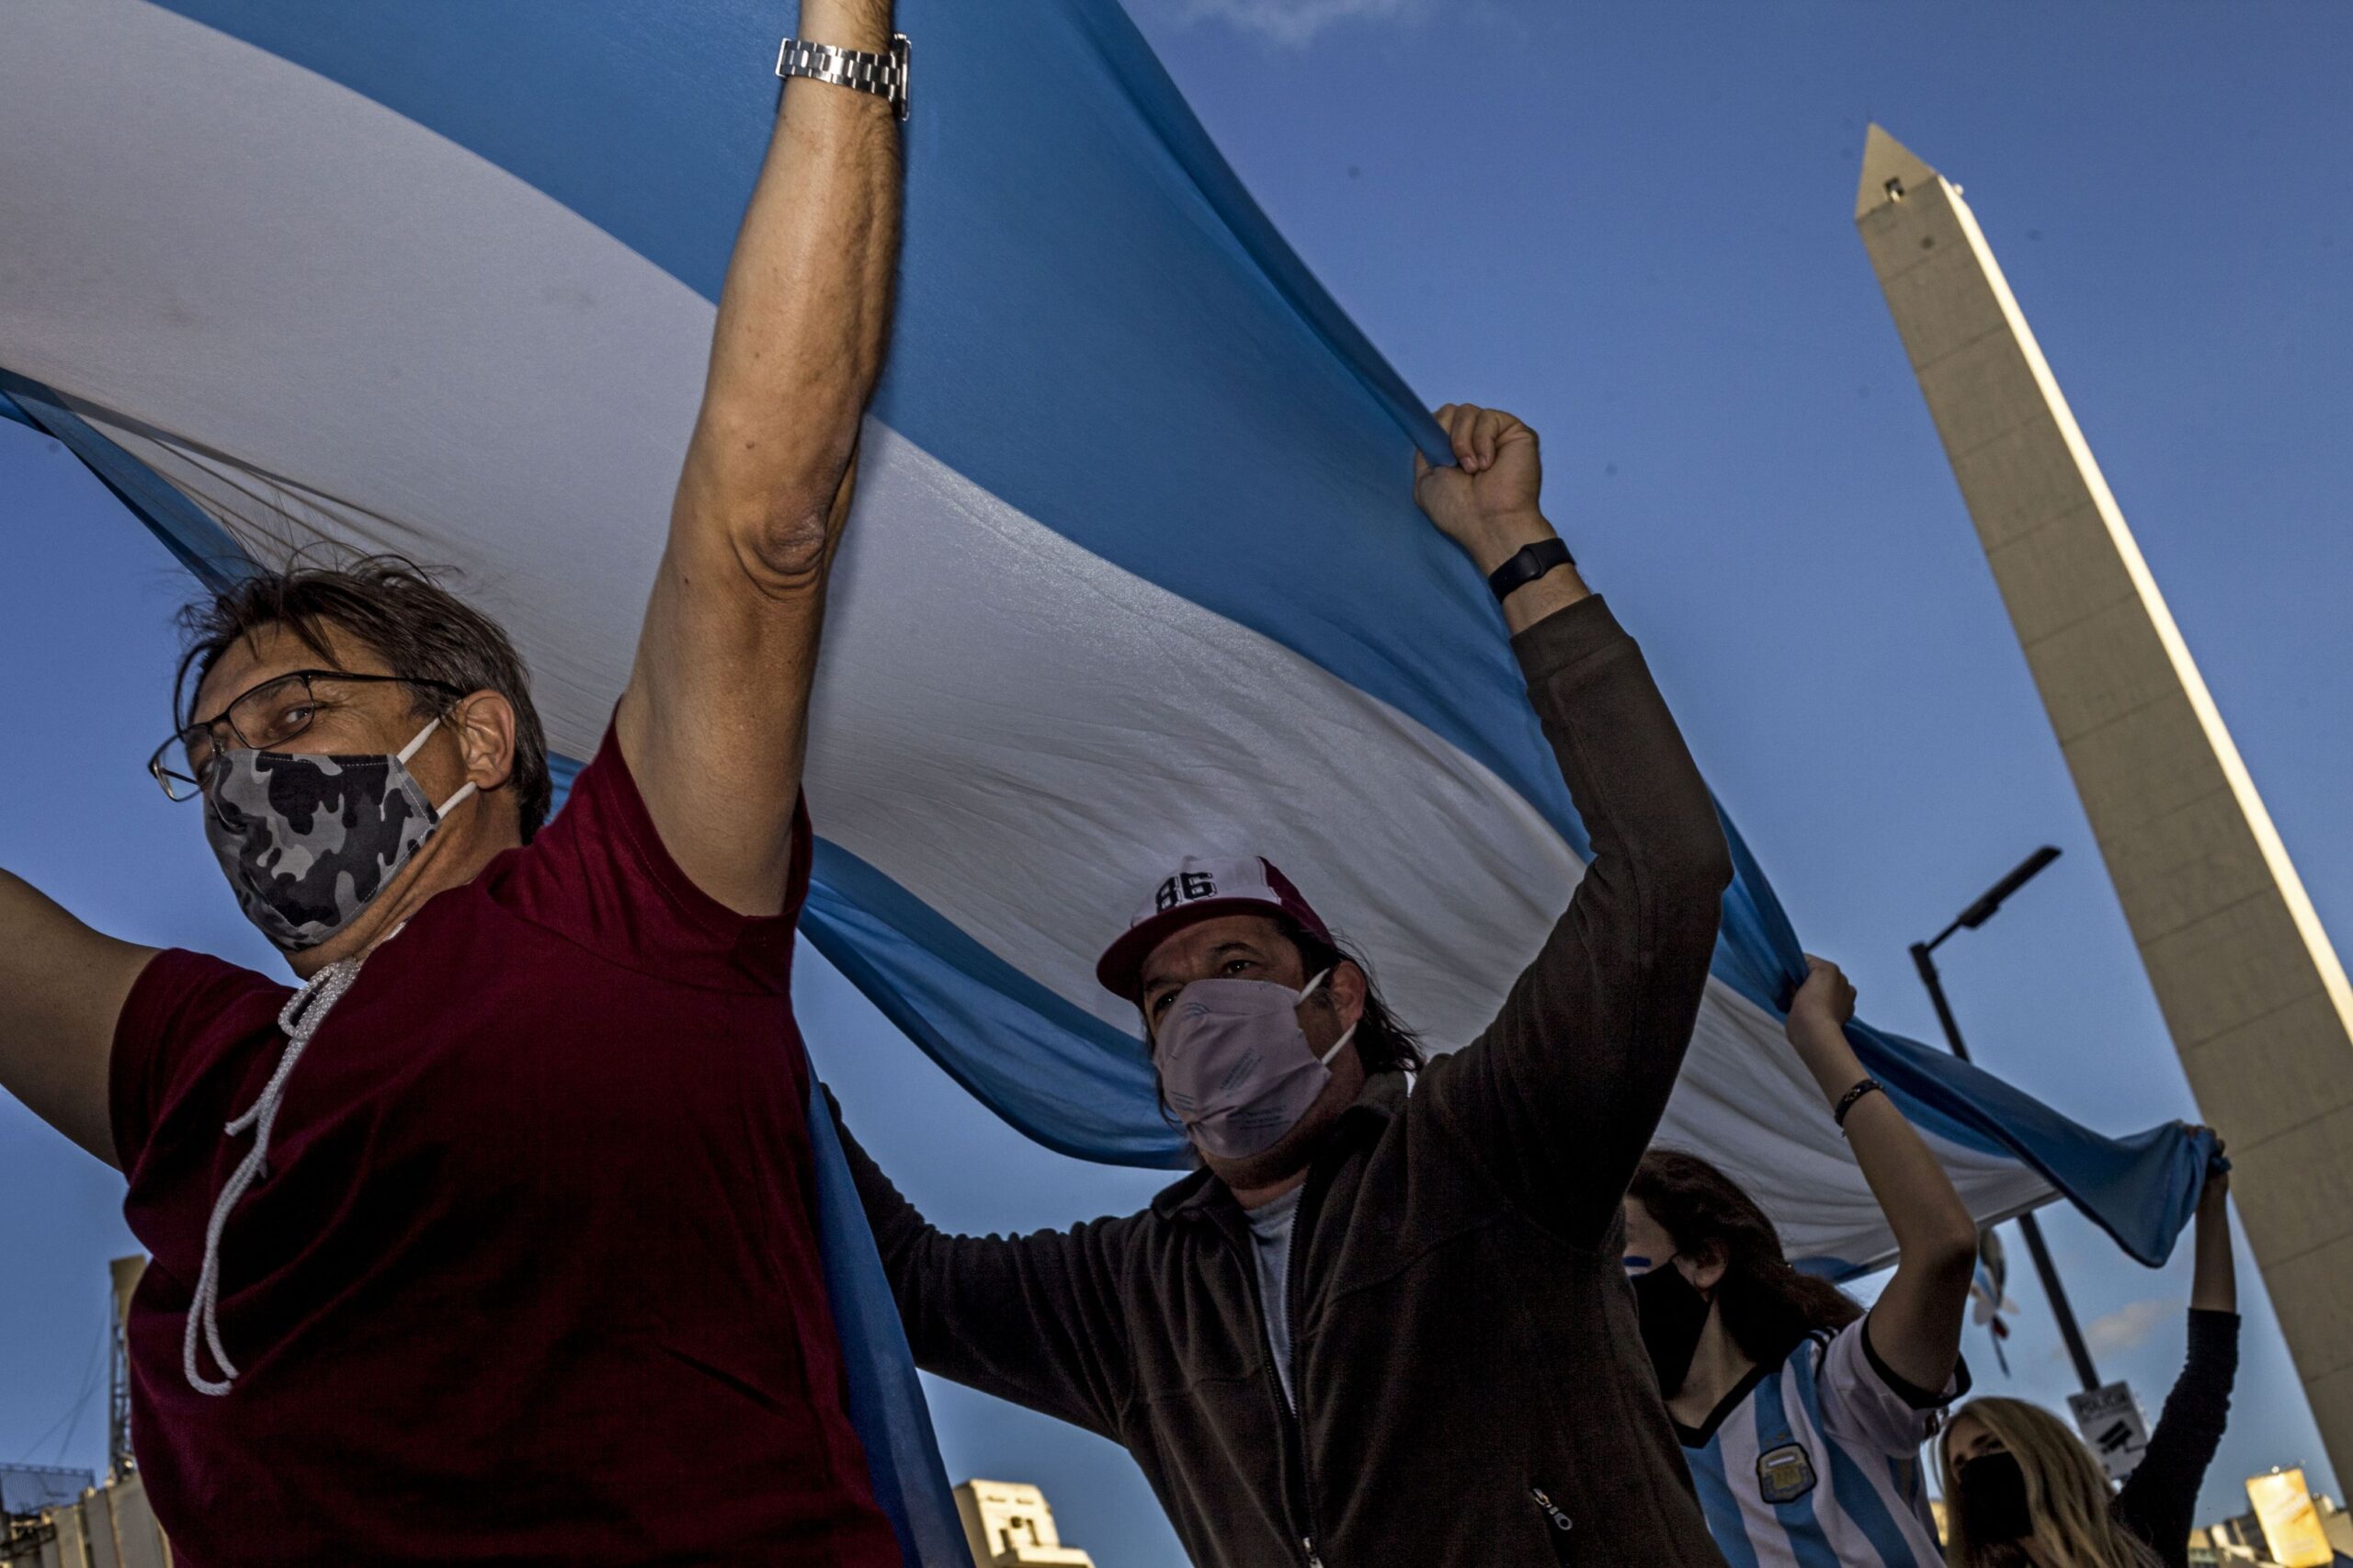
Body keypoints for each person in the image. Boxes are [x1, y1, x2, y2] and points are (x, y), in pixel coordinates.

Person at [0, 4, 908, 1561]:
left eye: (289, 715)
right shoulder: (201, 1071)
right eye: (210, 759)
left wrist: (848, 34)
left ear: (478, 738)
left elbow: (766, 519)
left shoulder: (634, 909)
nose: (243, 784)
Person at [832, 403, 1739, 1567]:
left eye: (1236, 966)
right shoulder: (1130, 1293)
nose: (1197, 1008)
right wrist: (712, 969)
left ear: (1339, 997)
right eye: (1164, 998)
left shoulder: (1484, 1148)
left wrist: (1516, 546)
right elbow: (896, 1277)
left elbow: (1666, 870)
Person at [1623, 957, 1983, 1567]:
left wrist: (1818, 1037)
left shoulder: (1829, 1388)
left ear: (1705, 1259)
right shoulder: (1634, 1467)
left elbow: (1942, 1246)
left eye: (1617, 1245)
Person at [1938, 1142, 2237, 1568]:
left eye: (1990, 1448)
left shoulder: (2140, 1526)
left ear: (2037, 1445)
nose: (1976, 1473)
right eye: (1961, 1467)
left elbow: (2208, 1374)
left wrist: (2211, 1203)